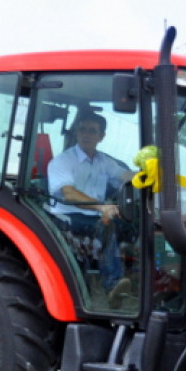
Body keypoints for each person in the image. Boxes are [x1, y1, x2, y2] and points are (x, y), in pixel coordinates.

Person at [47, 110, 133, 307]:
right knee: (106, 226)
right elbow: (69, 194)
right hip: (67, 214)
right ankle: (112, 287)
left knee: (133, 224)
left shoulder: (103, 161)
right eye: (82, 130)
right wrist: (102, 207)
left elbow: (125, 176)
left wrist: (149, 173)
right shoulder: (63, 161)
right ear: (77, 133)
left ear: (101, 137)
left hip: (93, 213)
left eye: (92, 131)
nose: (86, 134)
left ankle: (136, 282)